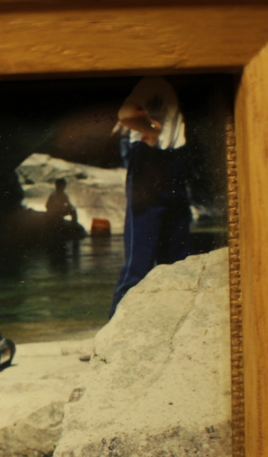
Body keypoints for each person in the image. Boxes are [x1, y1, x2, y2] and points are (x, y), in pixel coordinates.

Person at [109, 77, 191, 317]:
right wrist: (152, 129)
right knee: (140, 264)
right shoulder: (154, 82)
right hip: (151, 160)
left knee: (176, 262)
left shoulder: (166, 84)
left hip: (172, 162)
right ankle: (115, 333)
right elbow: (126, 113)